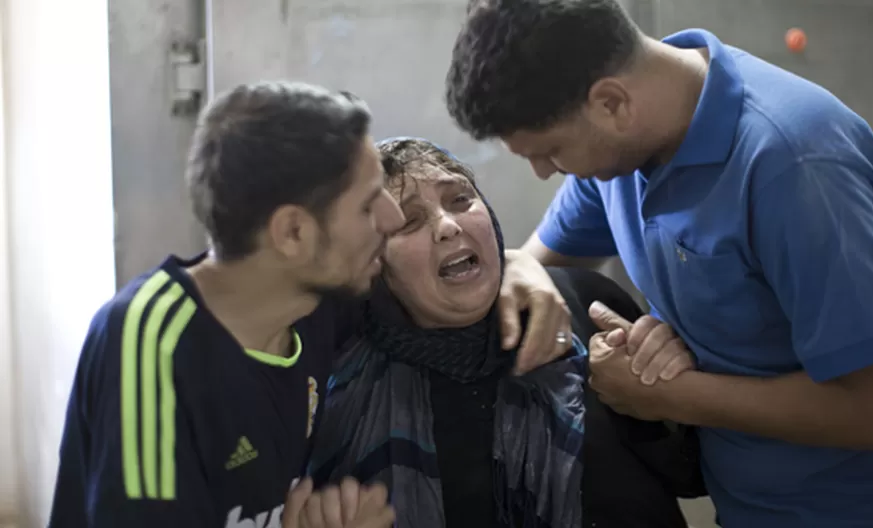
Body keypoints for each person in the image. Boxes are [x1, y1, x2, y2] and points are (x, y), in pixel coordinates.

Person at [444, 1, 873, 527]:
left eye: (550, 150)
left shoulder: (794, 165)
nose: (545, 173)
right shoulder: (620, 155)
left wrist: (673, 396)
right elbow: (541, 258)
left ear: (611, 103)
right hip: (745, 506)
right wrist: (519, 267)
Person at [48, 82, 572, 528]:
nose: (390, 221)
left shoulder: (319, 299)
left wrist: (520, 266)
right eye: (371, 204)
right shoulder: (153, 343)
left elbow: (444, 277)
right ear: (294, 233)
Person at [307, 137, 706, 528]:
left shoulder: (583, 305)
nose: (448, 225)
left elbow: (694, 475)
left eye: (461, 199)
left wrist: (667, 384)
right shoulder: (338, 381)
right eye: (408, 221)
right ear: (373, 263)